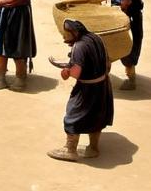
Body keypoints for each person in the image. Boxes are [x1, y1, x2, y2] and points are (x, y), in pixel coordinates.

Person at [77, 0, 143, 90]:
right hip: (117, 16)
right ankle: (103, 80)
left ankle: (131, 79)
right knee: (107, 48)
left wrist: (115, 17)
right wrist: (86, 3)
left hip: (127, 17)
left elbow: (125, 1)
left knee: (127, 49)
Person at [47, 18, 114, 161]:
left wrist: (65, 71)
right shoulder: (97, 38)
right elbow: (108, 64)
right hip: (103, 86)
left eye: (67, 34)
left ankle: (70, 149)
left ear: (74, 32)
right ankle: (93, 148)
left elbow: (75, 73)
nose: (64, 37)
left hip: (86, 89)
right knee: (97, 115)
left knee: (73, 114)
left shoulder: (79, 47)